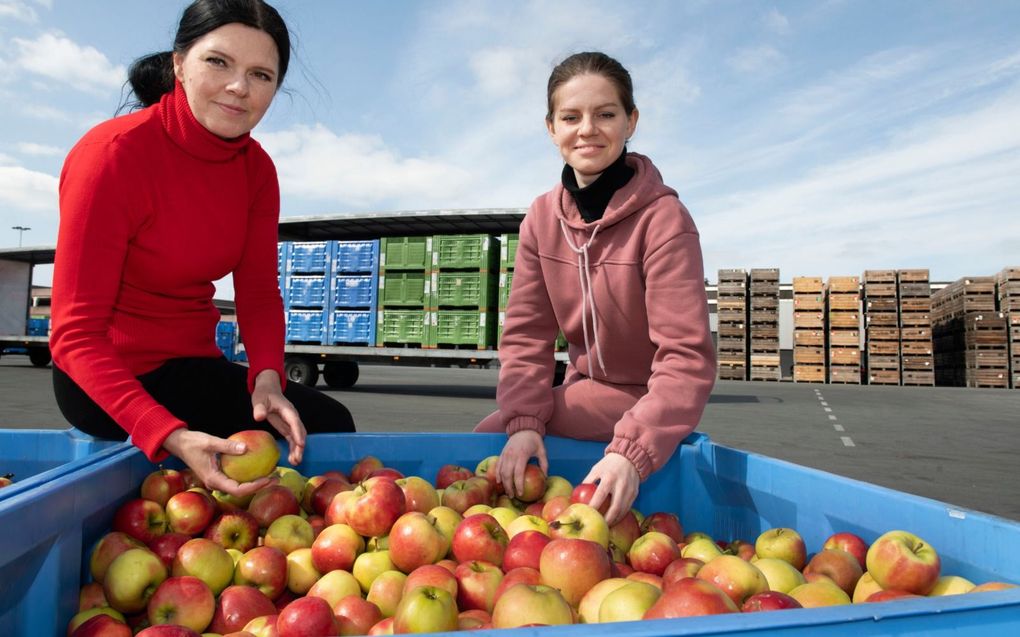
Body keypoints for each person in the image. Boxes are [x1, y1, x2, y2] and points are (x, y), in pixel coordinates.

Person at [50, 0, 355, 497]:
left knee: (329, 423)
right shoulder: (110, 156)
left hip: (190, 365)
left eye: (261, 74)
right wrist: (164, 431)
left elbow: (256, 293)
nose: (239, 87)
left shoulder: (257, 171)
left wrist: (268, 379)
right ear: (179, 65)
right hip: (102, 379)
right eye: (219, 62)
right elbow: (76, 335)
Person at [475, 52, 716, 525]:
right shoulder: (541, 219)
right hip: (583, 391)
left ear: (631, 122)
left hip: (648, 398)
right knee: (492, 445)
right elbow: (526, 338)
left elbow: (686, 358)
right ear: (551, 128)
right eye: (571, 117)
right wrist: (525, 421)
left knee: (488, 449)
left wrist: (632, 450)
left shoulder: (664, 220)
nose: (587, 129)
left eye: (606, 114)